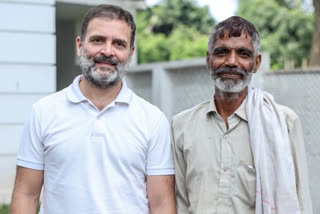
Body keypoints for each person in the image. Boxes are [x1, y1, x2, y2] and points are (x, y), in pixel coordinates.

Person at [10, 5, 176, 214]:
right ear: (80, 45)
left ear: (131, 53)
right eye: (98, 40)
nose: (107, 51)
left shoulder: (152, 120)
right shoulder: (43, 112)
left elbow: (161, 204)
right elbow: (26, 194)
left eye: (119, 44)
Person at [171, 16, 313, 214]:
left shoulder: (283, 122)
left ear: (256, 63)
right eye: (222, 52)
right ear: (208, 60)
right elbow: (179, 203)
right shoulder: (181, 126)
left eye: (243, 54)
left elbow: (300, 198)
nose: (231, 62)